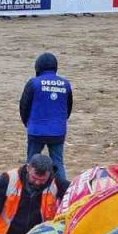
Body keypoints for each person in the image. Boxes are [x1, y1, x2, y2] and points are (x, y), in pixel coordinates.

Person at [20, 52, 74, 181]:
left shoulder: (33, 83)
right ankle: (63, 193)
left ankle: (27, 191)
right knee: (58, 163)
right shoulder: (65, 84)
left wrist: (28, 124)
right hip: (57, 131)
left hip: (36, 130)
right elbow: (68, 107)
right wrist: (60, 122)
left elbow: (24, 106)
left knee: (31, 162)